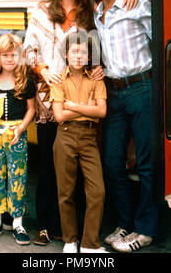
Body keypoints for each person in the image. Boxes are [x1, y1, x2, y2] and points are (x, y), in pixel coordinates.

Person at [24, 0, 102, 246]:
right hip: (47, 99)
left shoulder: (89, 11)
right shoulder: (43, 10)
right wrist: (42, 69)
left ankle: (72, 228)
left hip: (78, 99)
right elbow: (29, 49)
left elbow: (95, 50)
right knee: (48, 164)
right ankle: (45, 225)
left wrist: (97, 66)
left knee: (77, 166)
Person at [88, 0, 159, 252]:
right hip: (113, 93)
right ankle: (126, 224)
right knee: (112, 162)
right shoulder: (96, 15)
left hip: (142, 88)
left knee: (146, 163)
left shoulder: (136, 5)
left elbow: (161, 35)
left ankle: (145, 229)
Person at [51, 31, 108, 253]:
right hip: (65, 135)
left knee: (97, 191)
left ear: (88, 56)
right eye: (74, 51)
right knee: (66, 191)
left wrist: (72, 106)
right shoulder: (58, 79)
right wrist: (88, 107)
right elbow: (59, 116)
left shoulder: (96, 79)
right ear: (66, 54)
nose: (78, 55)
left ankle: (89, 244)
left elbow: (101, 111)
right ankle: (70, 240)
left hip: (88, 137)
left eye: (83, 52)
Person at [0, 33, 35, 244]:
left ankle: (18, 222)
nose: (10, 59)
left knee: (17, 177)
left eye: (14, 55)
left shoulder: (25, 81)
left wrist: (21, 128)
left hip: (17, 134)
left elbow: (31, 109)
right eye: (5, 55)